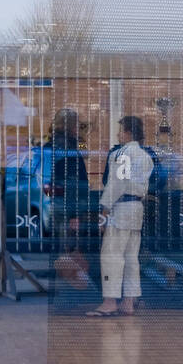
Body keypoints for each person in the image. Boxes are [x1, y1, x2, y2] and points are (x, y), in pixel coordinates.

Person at [87, 116, 152, 317]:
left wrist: (104, 210)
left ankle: (109, 301)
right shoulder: (145, 156)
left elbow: (116, 184)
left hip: (121, 207)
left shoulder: (121, 153)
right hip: (137, 207)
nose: (118, 134)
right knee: (131, 257)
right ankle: (129, 301)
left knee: (111, 255)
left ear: (128, 133)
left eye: (120, 131)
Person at [44, 108, 91, 247]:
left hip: (54, 202)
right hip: (68, 203)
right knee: (70, 246)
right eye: (77, 124)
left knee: (58, 244)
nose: (79, 127)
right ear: (70, 125)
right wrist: (75, 213)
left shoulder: (49, 144)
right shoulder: (70, 146)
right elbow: (85, 155)